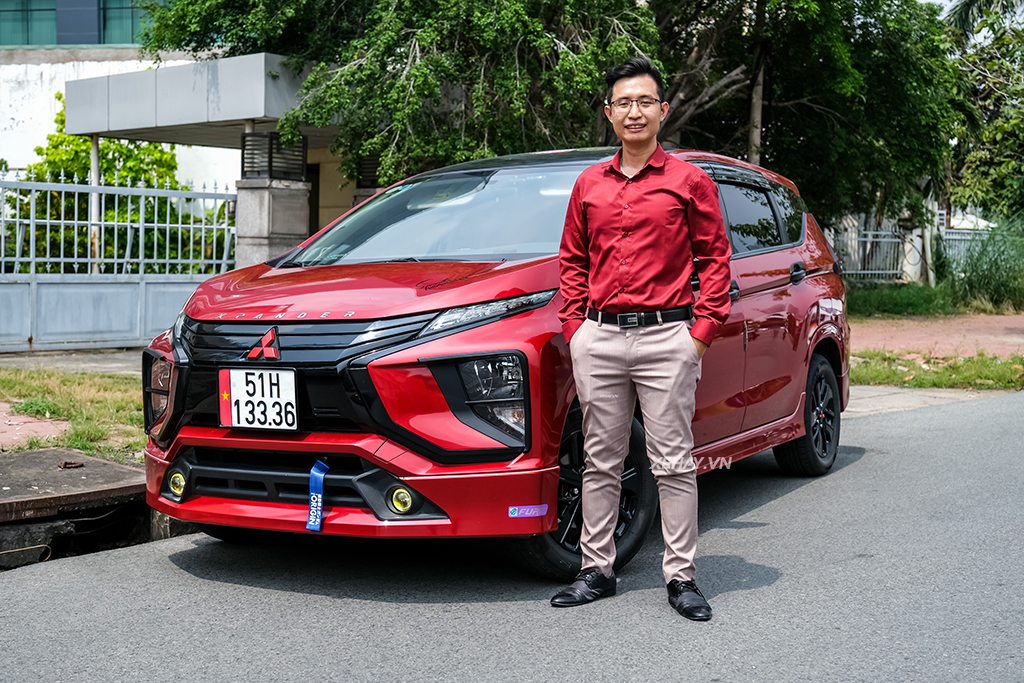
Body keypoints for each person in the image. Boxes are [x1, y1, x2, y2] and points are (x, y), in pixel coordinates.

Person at [551, 56, 732, 620]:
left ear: (663, 111)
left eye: (644, 102)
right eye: (624, 102)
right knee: (600, 460)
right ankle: (596, 570)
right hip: (599, 338)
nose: (634, 111)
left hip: (667, 339)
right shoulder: (588, 184)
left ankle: (681, 577)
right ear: (609, 113)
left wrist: (698, 336)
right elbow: (572, 261)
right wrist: (576, 330)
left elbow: (716, 261)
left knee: (672, 462)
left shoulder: (689, 181)